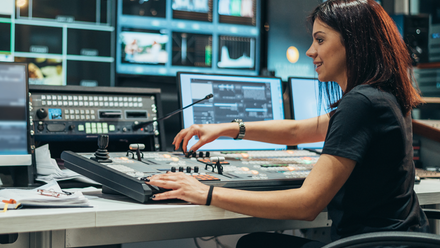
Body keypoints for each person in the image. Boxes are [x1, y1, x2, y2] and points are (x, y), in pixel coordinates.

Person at [147, 0, 429, 247]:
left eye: (320, 40)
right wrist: (229, 128)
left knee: (253, 243)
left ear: (354, 44)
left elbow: (307, 204)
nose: (310, 51)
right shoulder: (381, 95)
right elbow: (299, 130)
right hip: (397, 240)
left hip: (371, 245)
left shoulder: (362, 103)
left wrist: (207, 192)